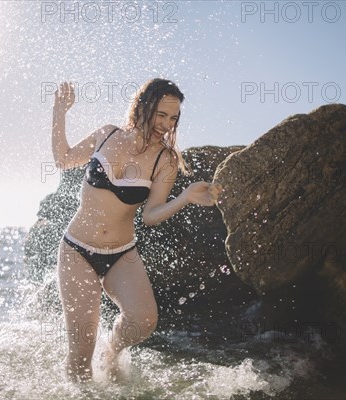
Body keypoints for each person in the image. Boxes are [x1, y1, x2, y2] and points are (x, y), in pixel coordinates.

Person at [51, 78, 223, 382]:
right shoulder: (106, 135)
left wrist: (184, 198)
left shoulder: (165, 160)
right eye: (162, 114)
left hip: (121, 254)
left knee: (144, 321)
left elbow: (151, 215)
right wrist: (60, 111)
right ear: (144, 106)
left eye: (173, 118)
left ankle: (112, 351)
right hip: (77, 249)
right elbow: (63, 160)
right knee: (80, 351)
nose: (167, 124)